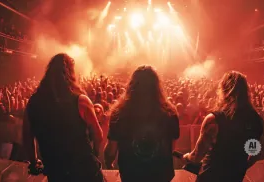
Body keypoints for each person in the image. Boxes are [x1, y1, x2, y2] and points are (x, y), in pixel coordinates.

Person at [22, 53, 104, 182]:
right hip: (85, 170)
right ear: (70, 74)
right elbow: (98, 135)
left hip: (56, 172)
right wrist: (95, 153)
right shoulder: (80, 101)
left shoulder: (33, 103)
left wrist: (34, 161)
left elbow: (27, 136)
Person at [180, 71, 264, 182]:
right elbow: (253, 156)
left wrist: (186, 157)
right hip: (235, 178)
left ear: (224, 91)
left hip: (209, 177)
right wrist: (237, 169)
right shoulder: (256, 121)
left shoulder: (214, 120)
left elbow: (196, 156)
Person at [104, 65, 180, 182]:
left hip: (131, 175)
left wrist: (109, 164)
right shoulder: (170, 113)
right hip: (161, 176)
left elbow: (111, 151)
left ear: (132, 86)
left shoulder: (119, 113)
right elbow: (170, 148)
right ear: (157, 87)